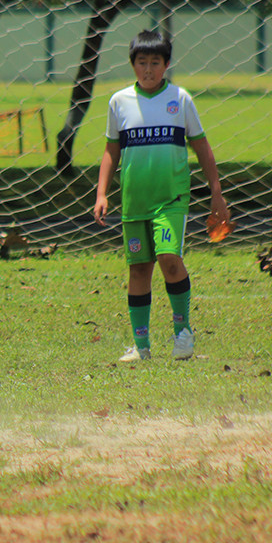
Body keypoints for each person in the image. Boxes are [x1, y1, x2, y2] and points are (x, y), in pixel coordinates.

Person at [93, 30, 230, 362]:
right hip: (134, 202)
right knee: (139, 269)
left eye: (156, 63)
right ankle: (141, 348)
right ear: (133, 65)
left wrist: (217, 193)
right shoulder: (119, 102)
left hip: (171, 199)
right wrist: (101, 193)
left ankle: (183, 333)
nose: (149, 69)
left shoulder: (180, 100)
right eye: (143, 63)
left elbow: (201, 146)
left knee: (169, 260)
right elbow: (112, 150)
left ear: (166, 64)